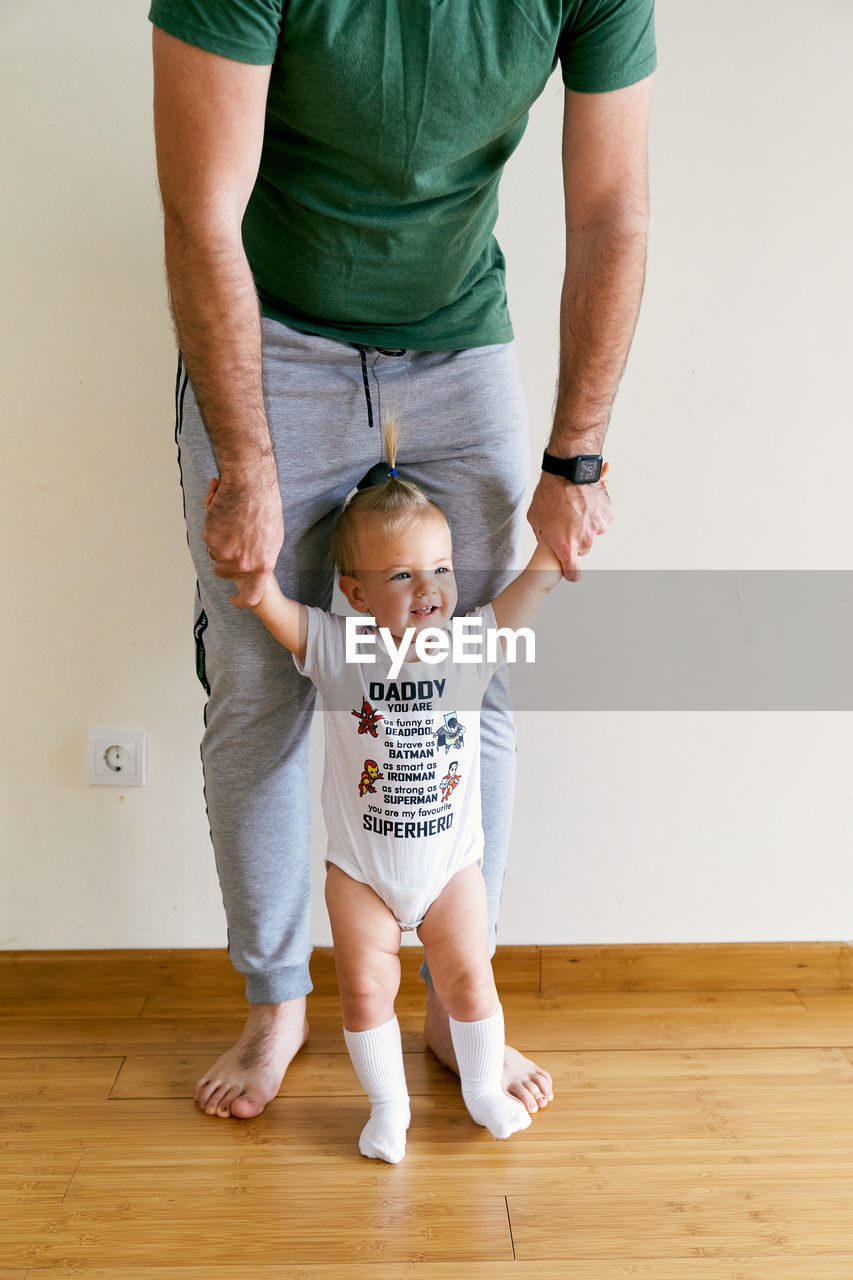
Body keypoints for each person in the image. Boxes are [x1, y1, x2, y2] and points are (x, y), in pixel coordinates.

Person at [149, 0, 655, 1120]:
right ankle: (277, 997)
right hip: (271, 328)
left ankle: (455, 990)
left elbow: (612, 211)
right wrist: (243, 457)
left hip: (457, 330)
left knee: (471, 676)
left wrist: (573, 458)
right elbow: (200, 211)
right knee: (259, 676)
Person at [207, 418, 566, 1161]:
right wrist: (251, 580)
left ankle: (480, 1091)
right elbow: (272, 611)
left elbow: (525, 596)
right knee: (365, 993)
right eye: (402, 575)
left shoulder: (468, 643)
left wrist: (552, 552)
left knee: (470, 982)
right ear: (355, 592)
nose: (428, 588)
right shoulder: (337, 647)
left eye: (439, 568)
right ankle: (387, 1109)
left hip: (450, 872)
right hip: (361, 876)